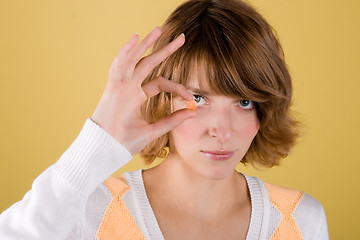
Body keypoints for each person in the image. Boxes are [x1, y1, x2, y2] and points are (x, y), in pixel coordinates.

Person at [0, 0, 329, 239]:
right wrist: (98, 139)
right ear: (163, 97)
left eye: (243, 102)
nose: (221, 130)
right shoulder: (89, 212)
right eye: (198, 98)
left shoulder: (300, 220)